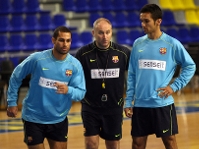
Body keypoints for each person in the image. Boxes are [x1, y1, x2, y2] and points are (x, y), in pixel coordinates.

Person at [124, 4, 196, 149]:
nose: (142, 24)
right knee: (137, 144)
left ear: (158, 21)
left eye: (146, 21)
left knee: (169, 142)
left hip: (162, 104)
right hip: (140, 105)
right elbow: (131, 75)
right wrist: (128, 101)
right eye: (141, 21)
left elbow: (190, 66)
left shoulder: (172, 44)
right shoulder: (138, 44)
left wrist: (174, 86)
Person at [6, 26, 86, 149]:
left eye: (68, 41)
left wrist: (68, 90)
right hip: (33, 118)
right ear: (53, 40)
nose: (65, 44)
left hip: (58, 119)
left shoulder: (75, 65)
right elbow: (16, 76)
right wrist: (12, 102)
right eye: (61, 40)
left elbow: (80, 93)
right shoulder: (38, 59)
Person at [75, 18, 131, 149]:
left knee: (112, 145)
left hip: (114, 107)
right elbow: (74, 78)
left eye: (108, 32)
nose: (105, 36)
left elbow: (134, 77)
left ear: (112, 32)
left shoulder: (123, 53)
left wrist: (131, 99)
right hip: (90, 107)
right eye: (101, 33)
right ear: (93, 33)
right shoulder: (83, 54)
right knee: (91, 144)